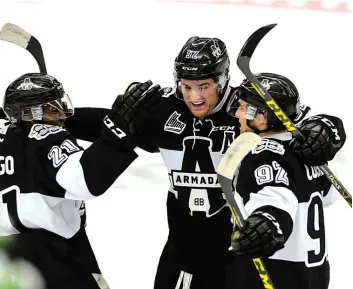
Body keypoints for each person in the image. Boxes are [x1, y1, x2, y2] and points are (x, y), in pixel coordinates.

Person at [8, 37, 346, 289]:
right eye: (187, 86)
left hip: (238, 253)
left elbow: (292, 121)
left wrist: (327, 129)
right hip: (185, 248)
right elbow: (94, 123)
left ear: (224, 79)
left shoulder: (246, 110)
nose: (195, 96)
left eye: (205, 86)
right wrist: (33, 116)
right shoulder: (164, 110)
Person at [0, 73, 161, 289]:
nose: (61, 114)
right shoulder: (46, 139)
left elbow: (69, 121)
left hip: (8, 256)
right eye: (52, 108)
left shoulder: (8, 131)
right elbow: (85, 179)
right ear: (30, 114)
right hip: (54, 257)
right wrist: (120, 129)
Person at [227, 73, 341, 289]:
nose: (238, 114)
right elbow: (328, 195)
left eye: (243, 107)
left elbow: (276, 200)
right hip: (314, 275)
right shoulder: (306, 150)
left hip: (275, 274)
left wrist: (266, 224)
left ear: (260, 117)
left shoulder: (260, 153)